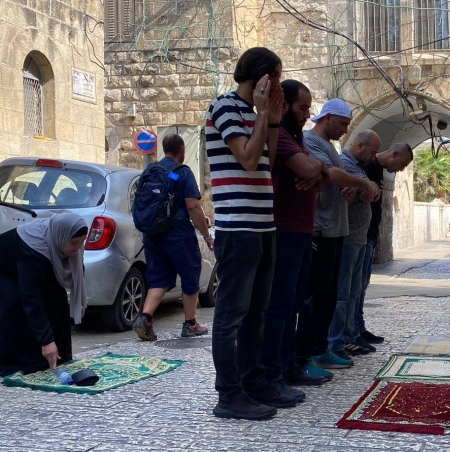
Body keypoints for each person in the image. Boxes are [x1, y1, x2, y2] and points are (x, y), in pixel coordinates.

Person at [205, 47, 284, 421]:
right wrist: (263, 113)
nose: (279, 86)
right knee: (231, 315)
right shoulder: (223, 107)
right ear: (261, 77)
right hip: (237, 228)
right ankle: (229, 395)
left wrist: (272, 120)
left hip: (263, 226)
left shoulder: (254, 114)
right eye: (277, 78)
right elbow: (248, 159)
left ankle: (253, 384)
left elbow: (266, 161)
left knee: (257, 314)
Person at [297, 101, 379, 379]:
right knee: (314, 298)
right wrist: (361, 183)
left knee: (328, 296)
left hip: (336, 230)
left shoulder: (329, 146)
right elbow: (330, 174)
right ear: (328, 118)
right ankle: (305, 353)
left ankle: (321, 349)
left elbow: (335, 178)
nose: (345, 131)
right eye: (343, 124)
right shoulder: (310, 141)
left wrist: (347, 186)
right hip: (320, 228)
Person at [260, 79, 329, 401]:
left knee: (293, 304)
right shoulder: (284, 136)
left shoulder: (296, 137)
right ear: (284, 105)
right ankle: (273, 373)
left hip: (300, 232)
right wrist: (316, 169)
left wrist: (318, 172)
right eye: (303, 107)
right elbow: (307, 168)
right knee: (280, 307)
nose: (307, 114)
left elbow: (317, 178)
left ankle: (288, 365)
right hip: (285, 231)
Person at [133, 134, 212, 341]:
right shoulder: (181, 173)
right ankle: (190, 324)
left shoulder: (150, 171)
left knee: (159, 278)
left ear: (163, 149)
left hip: (153, 235)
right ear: (182, 150)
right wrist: (206, 234)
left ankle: (145, 317)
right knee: (190, 275)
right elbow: (193, 207)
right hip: (179, 236)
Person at [0, 212, 88, 377]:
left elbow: (79, 271)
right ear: (62, 237)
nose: (77, 248)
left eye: (82, 242)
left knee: (57, 298)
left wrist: (80, 301)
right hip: (5, 271)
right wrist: (46, 341)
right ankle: (14, 364)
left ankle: (59, 358)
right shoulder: (34, 251)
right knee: (16, 305)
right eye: (74, 243)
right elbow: (32, 300)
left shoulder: (60, 236)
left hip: (31, 265)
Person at [327, 130, 381, 360]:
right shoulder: (345, 163)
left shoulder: (359, 167)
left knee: (353, 292)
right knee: (342, 294)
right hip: (348, 238)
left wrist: (368, 188)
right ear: (360, 145)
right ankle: (336, 342)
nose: (374, 156)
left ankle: (348, 336)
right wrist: (364, 187)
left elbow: (374, 189)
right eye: (373, 151)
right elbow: (361, 187)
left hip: (358, 238)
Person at [355, 142, 414, 350]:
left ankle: (359, 327)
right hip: (361, 234)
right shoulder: (368, 167)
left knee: (362, 286)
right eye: (403, 163)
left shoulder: (378, 170)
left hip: (370, 235)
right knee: (354, 287)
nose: (402, 169)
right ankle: (353, 332)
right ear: (394, 153)